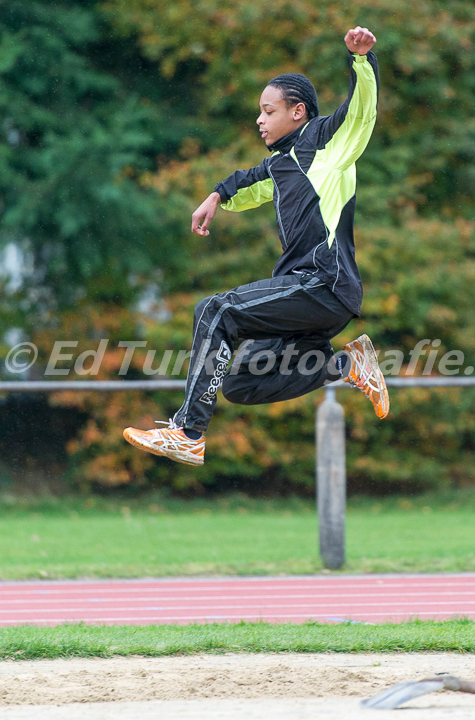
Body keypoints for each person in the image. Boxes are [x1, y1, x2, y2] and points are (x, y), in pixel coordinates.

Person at [124, 26, 389, 466]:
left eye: (268, 111)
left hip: (323, 284)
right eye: (259, 113)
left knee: (216, 310)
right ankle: (346, 366)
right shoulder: (282, 164)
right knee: (242, 384)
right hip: (307, 298)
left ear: (298, 112)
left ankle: (188, 432)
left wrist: (361, 61)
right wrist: (216, 194)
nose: (259, 120)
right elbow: (251, 181)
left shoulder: (327, 145)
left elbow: (361, 114)